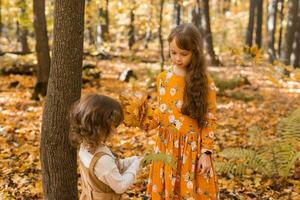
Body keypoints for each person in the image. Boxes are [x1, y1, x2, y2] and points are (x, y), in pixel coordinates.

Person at [146, 23, 219, 199]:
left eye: (184, 54)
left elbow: (209, 119)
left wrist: (206, 153)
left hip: (192, 151)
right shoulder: (163, 79)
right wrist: (142, 116)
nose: (178, 58)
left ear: (195, 52)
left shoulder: (205, 82)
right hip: (166, 148)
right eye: (173, 53)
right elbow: (161, 114)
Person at [69, 94, 142, 200]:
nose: (116, 131)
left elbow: (109, 169)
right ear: (99, 127)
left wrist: (132, 160)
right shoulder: (102, 160)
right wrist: (136, 166)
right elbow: (120, 186)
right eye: (113, 127)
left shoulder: (85, 147)